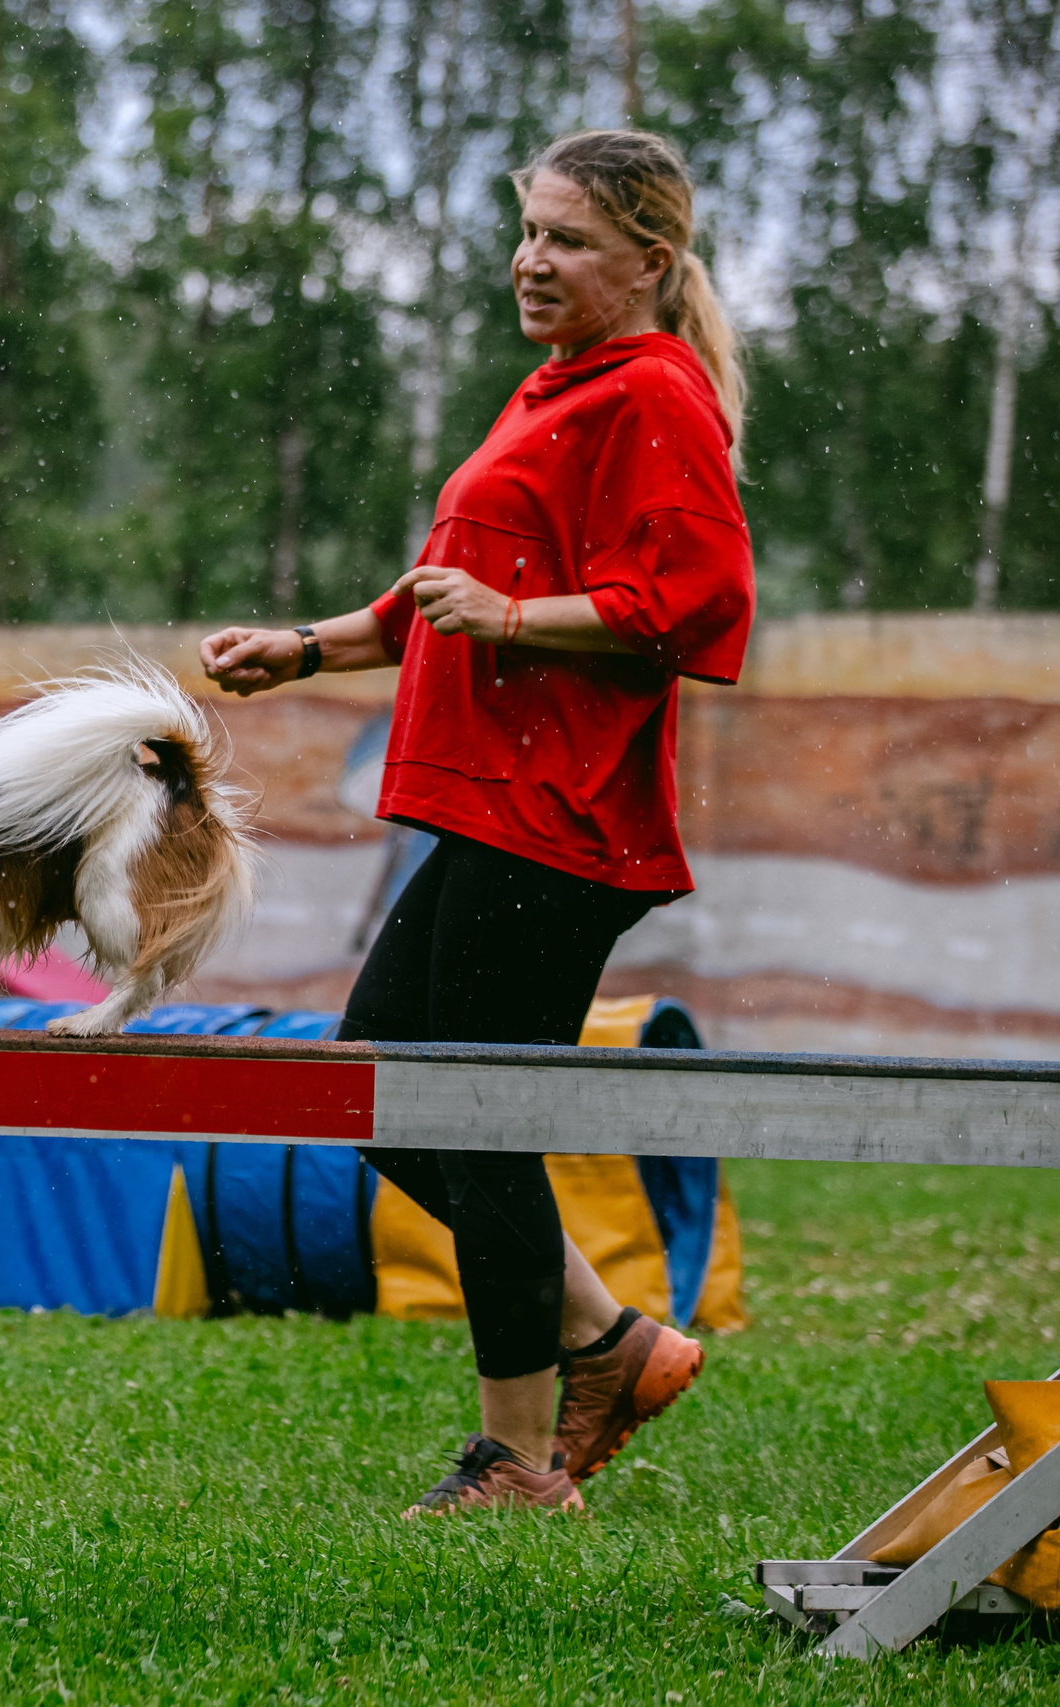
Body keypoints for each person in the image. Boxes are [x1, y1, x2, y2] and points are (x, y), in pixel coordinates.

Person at [200, 129, 753, 1515]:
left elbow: (694, 598)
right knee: (387, 1099)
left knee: (472, 1117)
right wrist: (305, 648)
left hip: (556, 817)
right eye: (528, 232)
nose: (531, 260)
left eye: (568, 239)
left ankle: (520, 1463)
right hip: (488, 808)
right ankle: (612, 1340)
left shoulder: (655, 394)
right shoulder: (556, 387)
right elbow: (440, 590)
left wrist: (514, 620)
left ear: (650, 260)